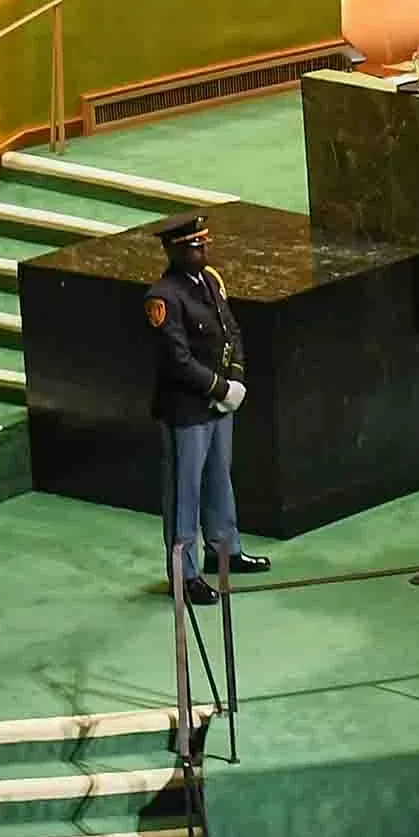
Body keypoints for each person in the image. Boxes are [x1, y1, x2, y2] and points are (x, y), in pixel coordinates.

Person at [148, 215, 268, 602]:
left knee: (219, 478)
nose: (201, 251)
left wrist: (235, 380)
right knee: (185, 493)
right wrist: (218, 388)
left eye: (203, 244)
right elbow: (176, 360)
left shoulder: (211, 282)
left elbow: (231, 330)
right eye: (192, 246)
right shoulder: (163, 298)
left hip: (219, 403)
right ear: (174, 250)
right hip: (187, 409)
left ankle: (225, 549)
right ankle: (185, 574)